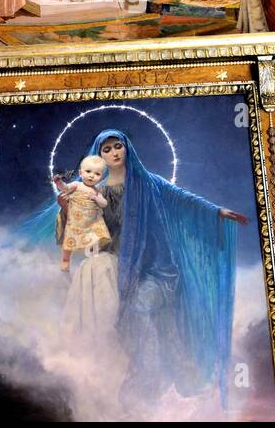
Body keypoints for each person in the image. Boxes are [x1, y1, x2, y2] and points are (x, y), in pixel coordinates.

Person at [29, 129, 248, 411]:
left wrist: (217, 212)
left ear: (127, 147)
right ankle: (170, 376)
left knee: (137, 309)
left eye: (118, 146)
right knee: (139, 319)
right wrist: (67, 207)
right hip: (122, 271)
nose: (114, 153)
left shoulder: (149, 183)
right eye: (106, 149)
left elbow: (183, 199)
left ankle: (147, 380)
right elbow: (79, 227)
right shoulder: (97, 194)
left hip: (159, 271)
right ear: (98, 158)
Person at [52, 156, 112, 272]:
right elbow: (65, 188)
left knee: (95, 238)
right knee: (69, 243)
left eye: (97, 174)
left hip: (91, 222)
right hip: (75, 221)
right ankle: (65, 261)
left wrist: (96, 198)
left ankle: (94, 257)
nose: (91, 176)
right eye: (88, 171)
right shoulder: (77, 185)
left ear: (101, 177)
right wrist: (58, 182)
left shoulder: (96, 191)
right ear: (80, 172)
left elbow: (104, 203)